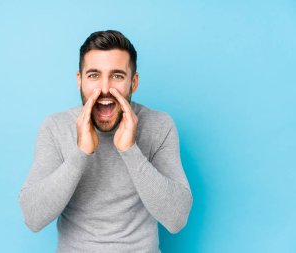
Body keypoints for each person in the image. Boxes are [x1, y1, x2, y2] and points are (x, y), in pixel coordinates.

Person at [18, 30, 193, 253]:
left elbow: (176, 219)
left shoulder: (160, 125)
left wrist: (130, 150)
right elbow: (33, 218)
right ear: (79, 80)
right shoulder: (55, 127)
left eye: (117, 76)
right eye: (94, 75)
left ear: (134, 82)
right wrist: (80, 153)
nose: (104, 89)